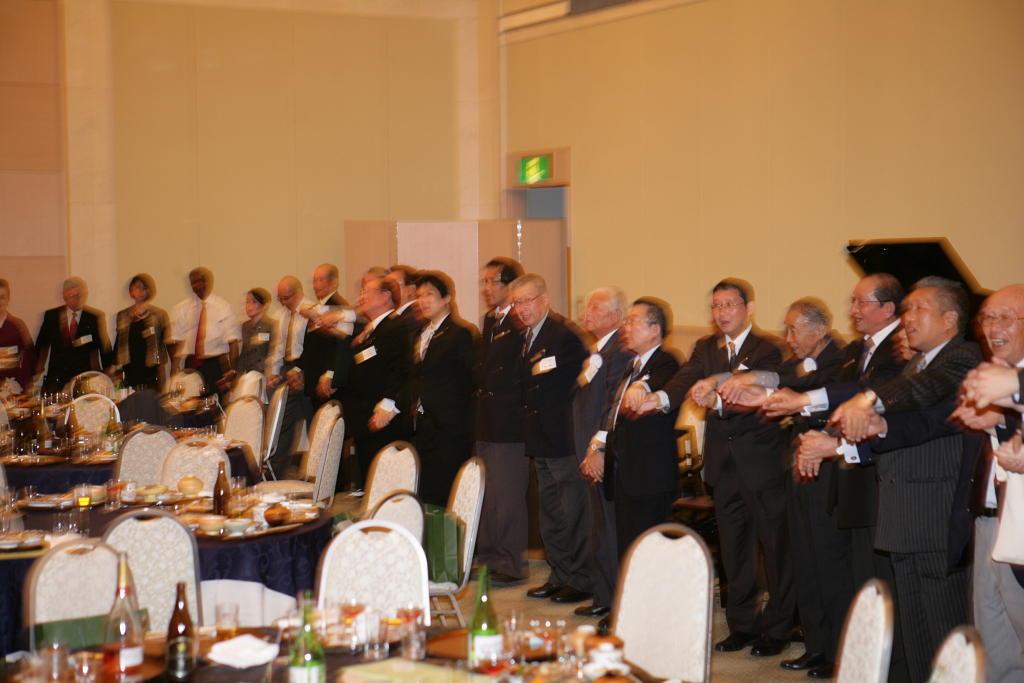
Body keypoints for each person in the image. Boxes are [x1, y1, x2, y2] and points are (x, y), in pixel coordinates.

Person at [819, 277, 982, 682]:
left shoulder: (963, 357)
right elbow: (896, 422)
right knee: (915, 632)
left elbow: (924, 410)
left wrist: (869, 404)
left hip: (935, 516)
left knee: (945, 633)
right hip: (901, 517)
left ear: (950, 319)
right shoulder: (915, 365)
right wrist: (842, 439)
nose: (907, 318)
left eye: (919, 309)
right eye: (906, 309)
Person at [624, 278, 793, 657]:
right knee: (734, 549)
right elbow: (686, 378)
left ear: (749, 308)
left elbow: (757, 396)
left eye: (729, 305)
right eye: (716, 306)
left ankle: (778, 627)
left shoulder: (769, 349)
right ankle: (742, 625)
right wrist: (659, 397)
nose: (721, 313)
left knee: (774, 548)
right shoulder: (705, 346)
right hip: (723, 465)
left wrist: (715, 398)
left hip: (762, 464)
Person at [719, 298, 848, 676]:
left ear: (819, 330)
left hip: (829, 471)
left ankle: (835, 650)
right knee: (804, 559)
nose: (788, 337)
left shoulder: (841, 359)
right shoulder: (797, 360)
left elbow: (812, 390)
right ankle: (815, 645)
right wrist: (754, 387)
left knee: (826, 564)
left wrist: (769, 391)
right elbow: (784, 378)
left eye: (794, 329)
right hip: (797, 467)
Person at [951, 285, 1024, 682]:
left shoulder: (1010, 380)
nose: (992, 328)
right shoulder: (989, 374)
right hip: (991, 516)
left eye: (1005, 318)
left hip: (1018, 525)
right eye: (986, 319)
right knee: (992, 629)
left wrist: (1003, 415)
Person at [513, 274, 591, 604]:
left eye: (527, 301)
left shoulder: (564, 335)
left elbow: (577, 390)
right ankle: (559, 575)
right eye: (516, 303)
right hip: (540, 440)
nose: (521, 309)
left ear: (544, 300)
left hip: (563, 440)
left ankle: (580, 579)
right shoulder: (528, 335)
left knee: (572, 513)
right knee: (550, 516)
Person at [604, 298, 681, 559]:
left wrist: (641, 386)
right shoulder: (632, 365)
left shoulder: (666, 361)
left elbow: (656, 381)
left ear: (654, 329)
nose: (625, 327)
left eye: (633, 322)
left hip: (650, 477)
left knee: (651, 551)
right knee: (629, 548)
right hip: (626, 473)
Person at [572, 288, 631, 619]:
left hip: (604, 454)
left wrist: (598, 448)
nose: (587, 312)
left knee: (609, 529)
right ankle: (604, 595)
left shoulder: (619, 351)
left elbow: (612, 406)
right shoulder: (597, 350)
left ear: (616, 316)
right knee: (599, 528)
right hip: (588, 451)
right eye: (587, 306)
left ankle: (614, 600)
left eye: (596, 307)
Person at [473, 257, 528, 584]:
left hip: (509, 424)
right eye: (484, 281)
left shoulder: (521, 322)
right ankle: (489, 558)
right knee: (488, 495)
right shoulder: (490, 320)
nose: (486, 288)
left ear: (511, 285)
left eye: (493, 281)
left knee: (507, 498)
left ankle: (511, 563)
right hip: (486, 420)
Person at [404, 271, 476, 506]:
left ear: (446, 298)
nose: (422, 301)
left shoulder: (460, 333)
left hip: (451, 428)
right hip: (424, 425)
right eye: (419, 296)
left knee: (449, 491)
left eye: (429, 294)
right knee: (427, 491)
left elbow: (471, 380)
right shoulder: (421, 334)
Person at [336, 269, 412, 485]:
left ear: (385, 296)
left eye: (366, 292)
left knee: (382, 481)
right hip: (364, 418)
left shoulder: (394, 327)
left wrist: (388, 404)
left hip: (382, 419)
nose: (361, 297)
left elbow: (400, 370)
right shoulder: (371, 330)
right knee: (368, 478)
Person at [266, 276, 315, 476]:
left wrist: (300, 370)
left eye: (286, 298)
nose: (283, 303)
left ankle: (319, 473)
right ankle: (275, 472)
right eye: (280, 299)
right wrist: (274, 371)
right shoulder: (281, 315)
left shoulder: (311, 310)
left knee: (313, 423)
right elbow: (278, 346)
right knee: (284, 423)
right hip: (288, 368)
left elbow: (313, 348)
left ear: (298, 292)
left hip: (306, 369)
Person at [169, 267, 240, 399]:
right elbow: (175, 341)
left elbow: (233, 342)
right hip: (190, 365)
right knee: (190, 403)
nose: (197, 285)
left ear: (209, 281)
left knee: (214, 404)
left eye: (201, 280)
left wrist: (232, 371)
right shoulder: (182, 308)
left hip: (215, 365)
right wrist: (174, 371)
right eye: (193, 282)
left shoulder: (223, 307)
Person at [35, 277, 109, 393]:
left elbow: (104, 347)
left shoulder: (94, 317)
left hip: (85, 379)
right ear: (64, 297)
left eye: (79, 295)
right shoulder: (52, 316)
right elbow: (41, 345)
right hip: (57, 378)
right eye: (72, 296)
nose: (77, 299)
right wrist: (35, 370)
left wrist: (108, 372)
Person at [302, 264, 353, 410]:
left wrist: (331, 374)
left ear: (334, 282)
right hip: (315, 378)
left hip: (327, 382)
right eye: (314, 280)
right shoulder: (318, 308)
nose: (316, 285)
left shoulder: (340, 307)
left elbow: (341, 347)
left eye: (321, 280)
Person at [110, 274, 170, 391]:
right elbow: (118, 343)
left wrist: (169, 372)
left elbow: (164, 345)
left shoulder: (159, 314)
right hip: (129, 368)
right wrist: (113, 368)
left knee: (151, 400)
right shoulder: (122, 315)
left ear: (150, 291)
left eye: (145, 288)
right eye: (138, 287)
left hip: (152, 370)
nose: (141, 291)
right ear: (131, 290)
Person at [0, 279, 36, 393]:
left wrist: (24, 383)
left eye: (2, 297)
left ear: (8, 299)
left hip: (14, 384)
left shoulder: (17, 325)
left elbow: (29, 356)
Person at [234, 287, 277, 376]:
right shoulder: (245, 326)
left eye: (254, 302)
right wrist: (237, 374)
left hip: (266, 374)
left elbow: (275, 354)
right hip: (250, 375)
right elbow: (243, 354)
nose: (249, 306)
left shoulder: (272, 324)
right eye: (247, 302)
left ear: (265, 305)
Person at [387, 265, 423, 337]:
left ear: (411, 289)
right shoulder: (395, 317)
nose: (388, 291)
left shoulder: (413, 318)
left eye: (393, 286)